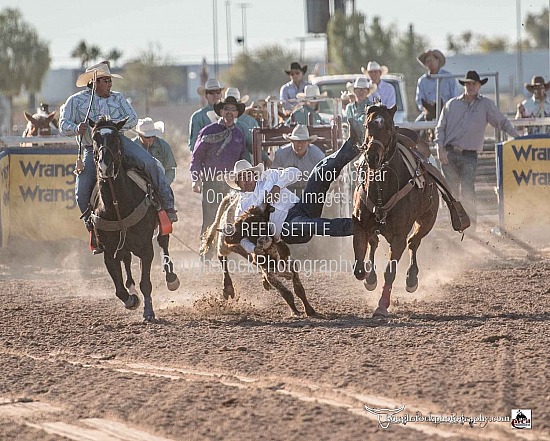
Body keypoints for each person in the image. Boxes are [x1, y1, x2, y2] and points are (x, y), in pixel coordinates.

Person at [59, 61, 176, 254]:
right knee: (81, 191)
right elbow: (63, 123)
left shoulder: (118, 98)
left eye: (110, 81)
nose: (110, 84)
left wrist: (112, 126)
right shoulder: (76, 101)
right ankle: (93, 227)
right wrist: (75, 128)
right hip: (92, 147)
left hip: (118, 143)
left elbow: (133, 119)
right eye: (106, 80)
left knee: (151, 163)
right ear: (94, 82)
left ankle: (165, 208)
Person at [224, 119, 363, 254]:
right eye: (242, 178)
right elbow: (242, 238)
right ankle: (360, 226)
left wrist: (277, 186)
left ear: (254, 175)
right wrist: (253, 249)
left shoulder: (269, 176)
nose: (247, 180)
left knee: (319, 171)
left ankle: (354, 145)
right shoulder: (242, 208)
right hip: (287, 227)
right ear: (237, 184)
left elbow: (294, 172)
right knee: (316, 224)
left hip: (301, 206)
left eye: (248, 175)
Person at [435, 70, 520, 230]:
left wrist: (517, 137)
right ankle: (454, 224)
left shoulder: (485, 105)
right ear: (464, 85)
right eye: (468, 83)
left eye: (473, 83)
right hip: (449, 153)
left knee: (468, 190)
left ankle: (471, 225)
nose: (471, 86)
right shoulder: (451, 104)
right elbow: (440, 128)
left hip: (469, 154)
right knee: (451, 192)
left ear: (479, 85)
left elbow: (501, 121)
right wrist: (439, 148)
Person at [190, 95, 246, 259]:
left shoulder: (238, 134)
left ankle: (231, 256)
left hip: (232, 184)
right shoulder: (208, 131)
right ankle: (206, 255)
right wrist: (195, 178)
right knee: (210, 218)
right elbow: (196, 157)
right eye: (226, 109)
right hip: (212, 181)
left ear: (236, 113)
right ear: (221, 111)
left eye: (233, 110)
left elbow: (242, 160)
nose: (229, 112)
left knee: (233, 219)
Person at [272, 124, 325, 196]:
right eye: (296, 141)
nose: (299, 144)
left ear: (308, 142)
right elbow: (273, 176)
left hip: (310, 191)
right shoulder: (281, 154)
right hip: (286, 191)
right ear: (291, 142)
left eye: (303, 141)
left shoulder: (317, 155)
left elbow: (324, 177)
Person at [415, 49, 460, 121]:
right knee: (416, 125)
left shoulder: (448, 77)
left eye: (431, 60)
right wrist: (426, 109)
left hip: (447, 112)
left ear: (437, 60)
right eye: (427, 61)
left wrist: (449, 108)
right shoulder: (422, 80)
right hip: (429, 112)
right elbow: (419, 100)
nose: (430, 63)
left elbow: (455, 96)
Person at [132, 117, 177, 185]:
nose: (151, 139)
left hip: (160, 181)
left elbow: (170, 169)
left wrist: (164, 184)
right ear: (140, 135)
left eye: (153, 136)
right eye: (147, 137)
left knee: (166, 195)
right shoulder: (132, 146)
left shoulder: (163, 146)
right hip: (136, 182)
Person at [188, 78, 225, 151]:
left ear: (221, 94)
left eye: (218, 92)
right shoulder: (197, 117)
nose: (215, 95)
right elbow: (194, 145)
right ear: (206, 95)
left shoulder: (228, 114)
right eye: (211, 92)